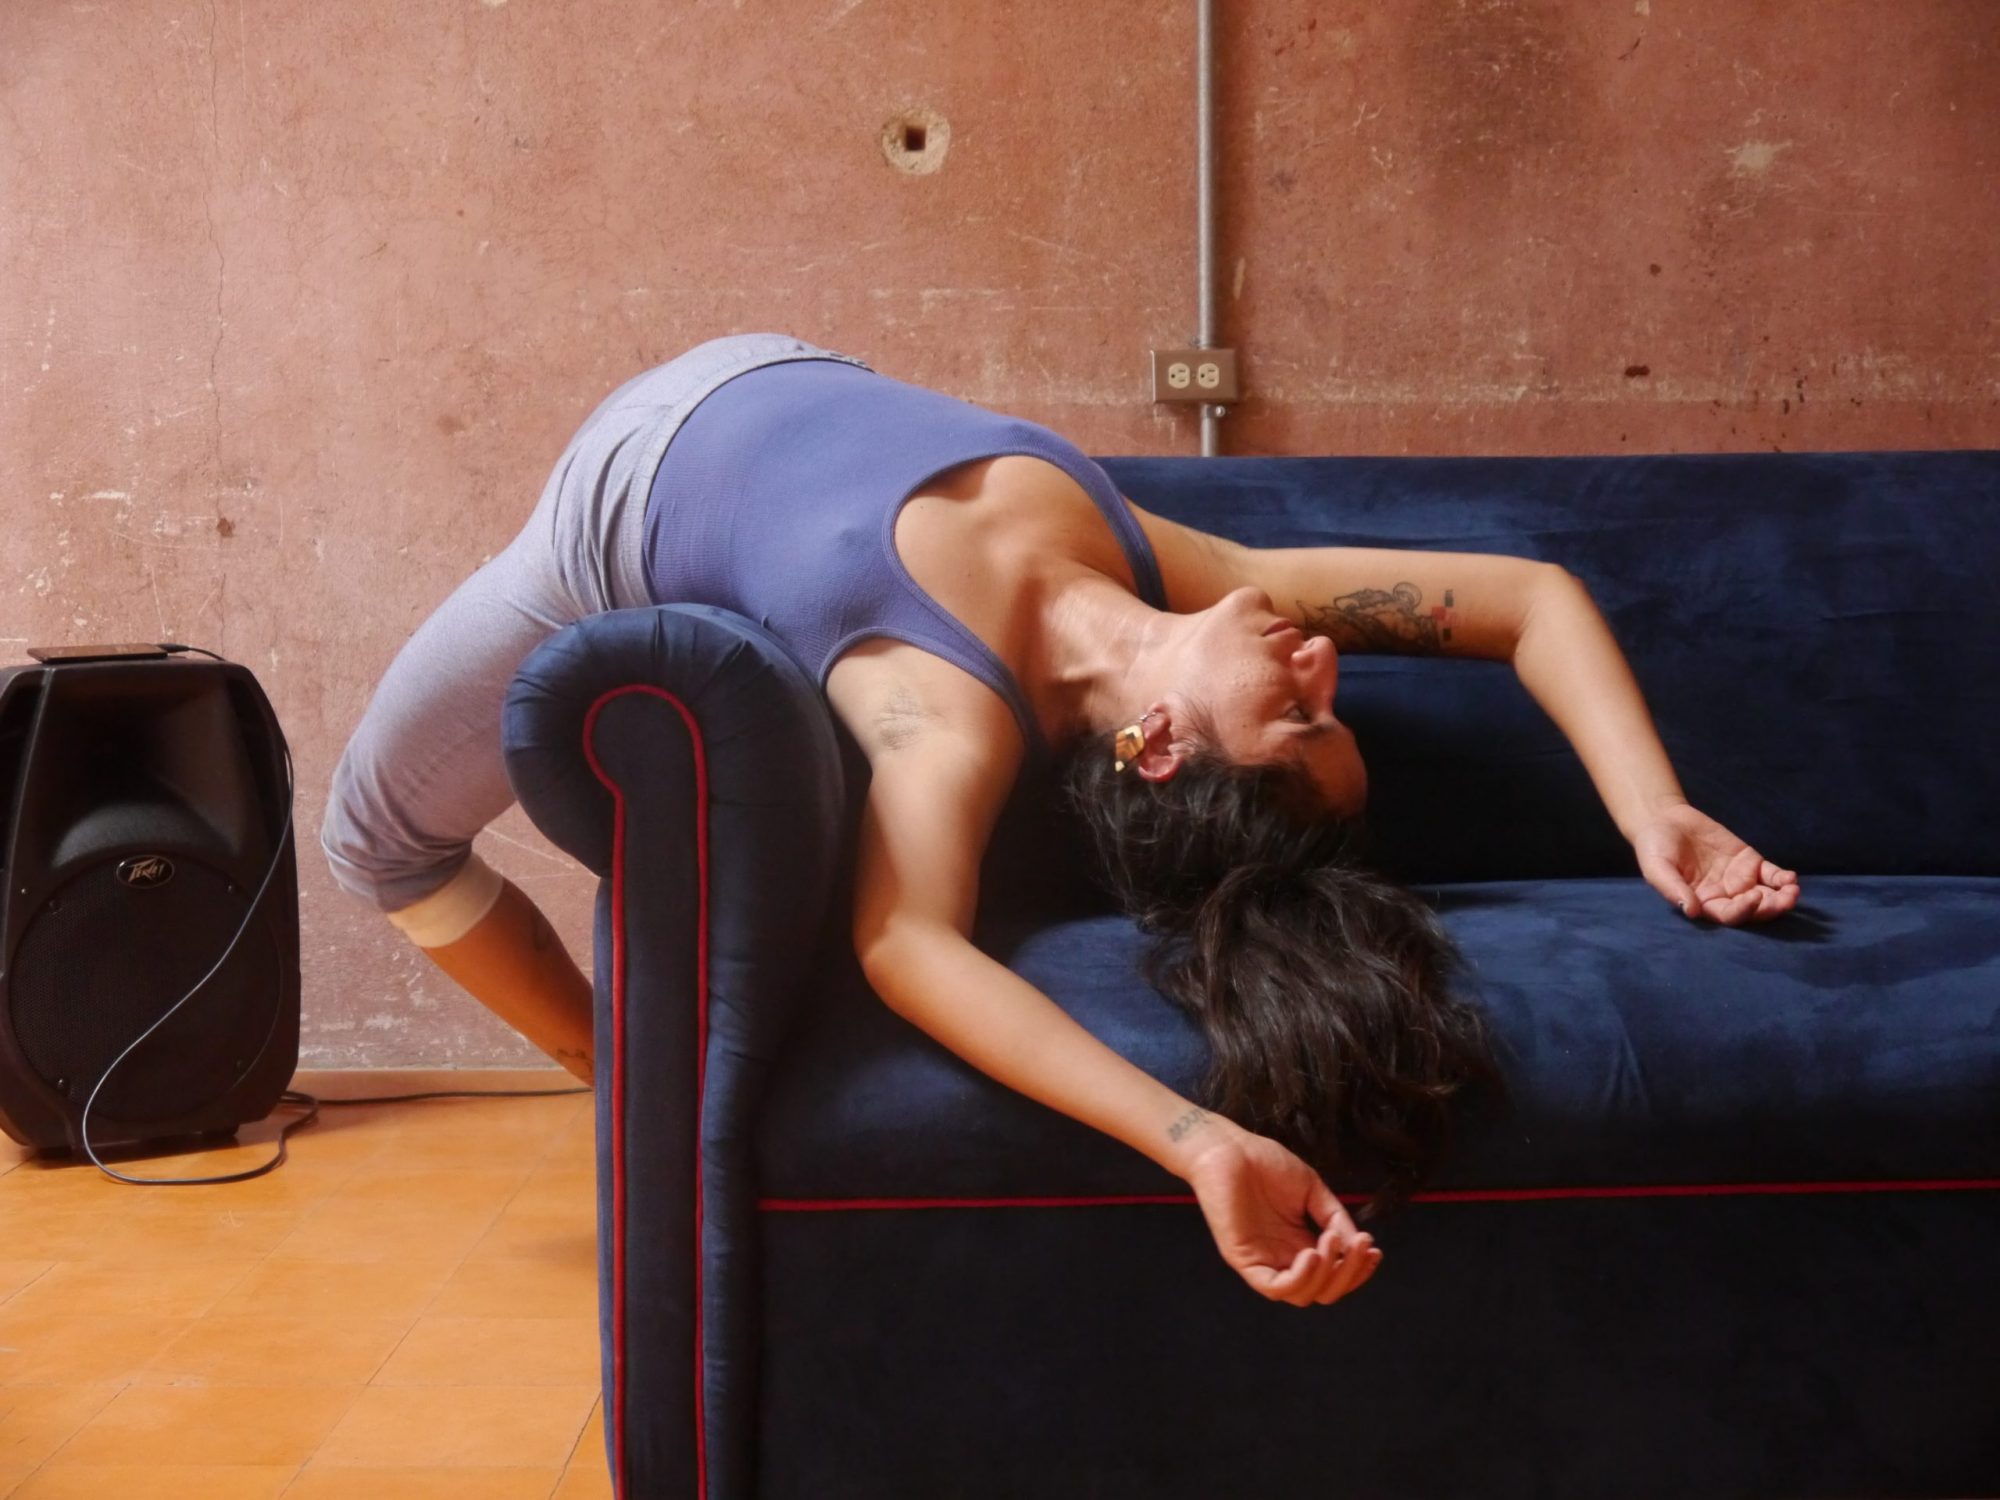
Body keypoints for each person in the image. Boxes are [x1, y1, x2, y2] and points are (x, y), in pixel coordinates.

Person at [322, 331, 1802, 1309]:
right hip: (776, 360)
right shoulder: (1171, 561)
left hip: (608, 507)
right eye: (1325, 698)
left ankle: (609, 1080)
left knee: (373, 842)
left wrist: (1197, 1142)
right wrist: (1653, 811)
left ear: (1156, 750)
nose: (1322, 662)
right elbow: (1530, 602)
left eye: (1300, 719)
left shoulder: (943, 711)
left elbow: (908, 942)